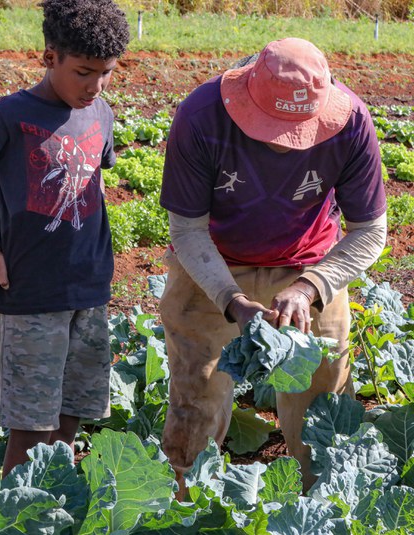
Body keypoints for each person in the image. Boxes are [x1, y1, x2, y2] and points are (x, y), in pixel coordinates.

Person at [159, 37, 387, 494]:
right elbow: (186, 230)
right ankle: (185, 506)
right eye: (272, 127)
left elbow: (370, 232)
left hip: (310, 262)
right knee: (196, 394)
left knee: (323, 401)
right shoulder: (202, 116)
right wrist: (232, 300)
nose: (287, 143)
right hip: (213, 262)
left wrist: (310, 287)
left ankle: (321, 505)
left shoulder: (352, 122)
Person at [0, 0, 130, 477]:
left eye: (106, 73)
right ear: (49, 57)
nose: (95, 86)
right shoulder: (10, 115)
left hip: (89, 287)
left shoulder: (101, 113)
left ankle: (49, 507)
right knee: (30, 427)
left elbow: (95, 182)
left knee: (70, 416)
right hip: (32, 291)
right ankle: (13, 513)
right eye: (84, 72)